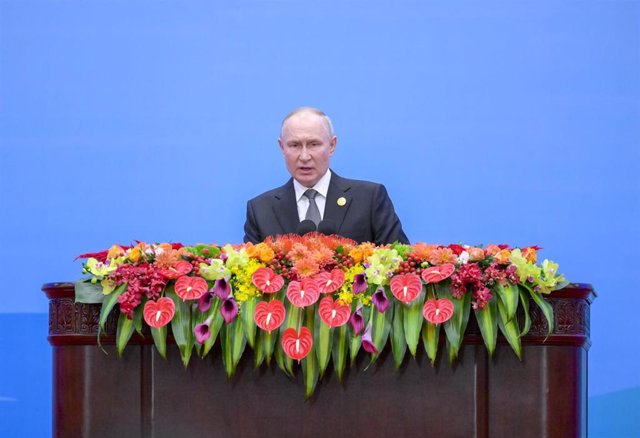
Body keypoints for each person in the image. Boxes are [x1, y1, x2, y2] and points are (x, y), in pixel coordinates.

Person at [243, 107, 409, 245]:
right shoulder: (260, 210)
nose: (304, 156)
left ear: (332, 146)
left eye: (314, 144)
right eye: (294, 145)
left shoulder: (370, 198)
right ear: (282, 147)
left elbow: (400, 266)